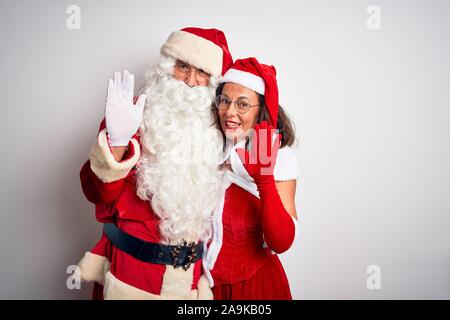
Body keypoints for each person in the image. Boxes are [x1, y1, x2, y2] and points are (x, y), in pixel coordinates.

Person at [76, 27, 233, 300]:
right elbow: (95, 193)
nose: (190, 81)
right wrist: (118, 141)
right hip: (129, 276)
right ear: (167, 67)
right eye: (182, 66)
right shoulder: (132, 116)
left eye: (202, 72)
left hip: (191, 282)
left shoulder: (220, 131)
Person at [203, 57, 298, 299]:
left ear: (261, 111)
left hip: (253, 290)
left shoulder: (279, 157)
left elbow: (281, 243)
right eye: (224, 101)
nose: (230, 112)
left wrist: (263, 178)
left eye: (243, 104)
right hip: (203, 290)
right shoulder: (208, 146)